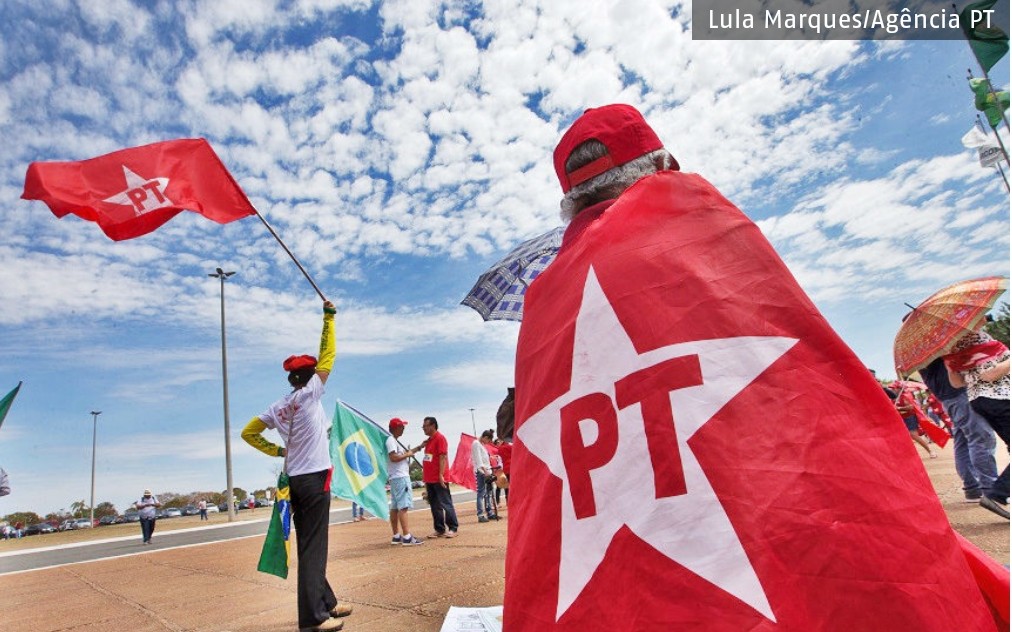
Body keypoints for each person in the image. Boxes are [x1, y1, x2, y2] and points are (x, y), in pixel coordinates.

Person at [241, 300, 352, 632]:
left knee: (309, 545)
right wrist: (329, 318)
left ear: (292, 377)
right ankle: (312, 620)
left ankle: (327, 603)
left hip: (293, 481)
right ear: (309, 376)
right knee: (315, 548)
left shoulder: (279, 406)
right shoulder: (310, 395)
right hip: (315, 479)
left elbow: (248, 433)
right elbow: (328, 353)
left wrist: (277, 451)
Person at [946, 327, 1010, 520]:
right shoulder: (976, 338)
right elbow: (990, 374)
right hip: (998, 398)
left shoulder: (952, 350)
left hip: (979, 400)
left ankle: (998, 493)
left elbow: (956, 383)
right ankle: (997, 494)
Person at [920, 357, 998, 503]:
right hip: (959, 394)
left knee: (963, 440)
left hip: (949, 398)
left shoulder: (918, 353)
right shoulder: (935, 348)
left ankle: (973, 487)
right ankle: (991, 489)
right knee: (981, 438)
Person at [386, 417, 424, 545]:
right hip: (400, 477)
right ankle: (407, 536)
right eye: (402, 426)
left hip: (395, 477)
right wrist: (407, 455)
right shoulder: (391, 441)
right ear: (396, 428)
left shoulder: (394, 441)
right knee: (403, 506)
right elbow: (393, 457)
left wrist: (418, 448)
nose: (403, 429)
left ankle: (396, 536)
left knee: (396, 507)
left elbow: (404, 454)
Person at [422, 416, 458, 538]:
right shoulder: (429, 441)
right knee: (434, 505)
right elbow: (428, 458)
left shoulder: (440, 438)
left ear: (432, 426)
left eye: (425, 426)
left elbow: (443, 457)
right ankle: (439, 529)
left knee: (445, 503)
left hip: (439, 478)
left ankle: (453, 527)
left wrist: (441, 475)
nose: (423, 428)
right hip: (429, 478)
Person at [472, 429, 494, 522]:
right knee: (481, 493)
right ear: (485, 437)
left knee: (488, 493)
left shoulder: (482, 444)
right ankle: (480, 515)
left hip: (487, 471)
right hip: (482, 472)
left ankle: (490, 513)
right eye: (488, 440)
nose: (488, 443)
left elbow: (484, 458)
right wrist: (485, 472)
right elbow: (479, 460)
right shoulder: (476, 443)